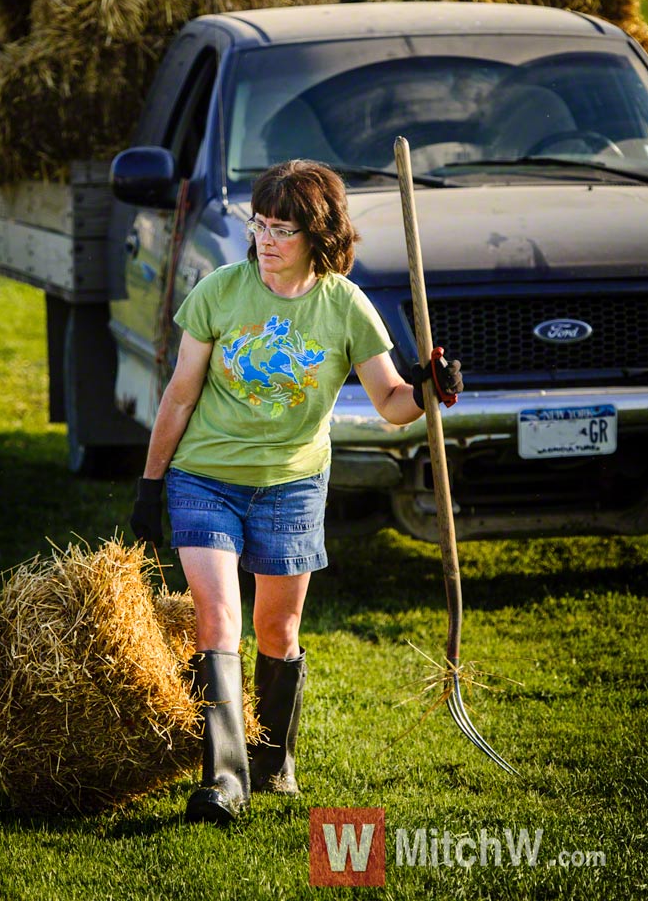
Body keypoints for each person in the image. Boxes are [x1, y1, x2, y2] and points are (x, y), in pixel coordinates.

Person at [131, 159, 462, 824]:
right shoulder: (220, 291)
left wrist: (432, 386)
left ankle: (272, 762)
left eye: (283, 229)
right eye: (260, 224)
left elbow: (394, 404)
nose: (267, 240)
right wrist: (150, 485)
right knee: (217, 618)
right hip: (207, 480)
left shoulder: (343, 305)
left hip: (292, 487)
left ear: (318, 236)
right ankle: (222, 783)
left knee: (276, 628)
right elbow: (179, 394)